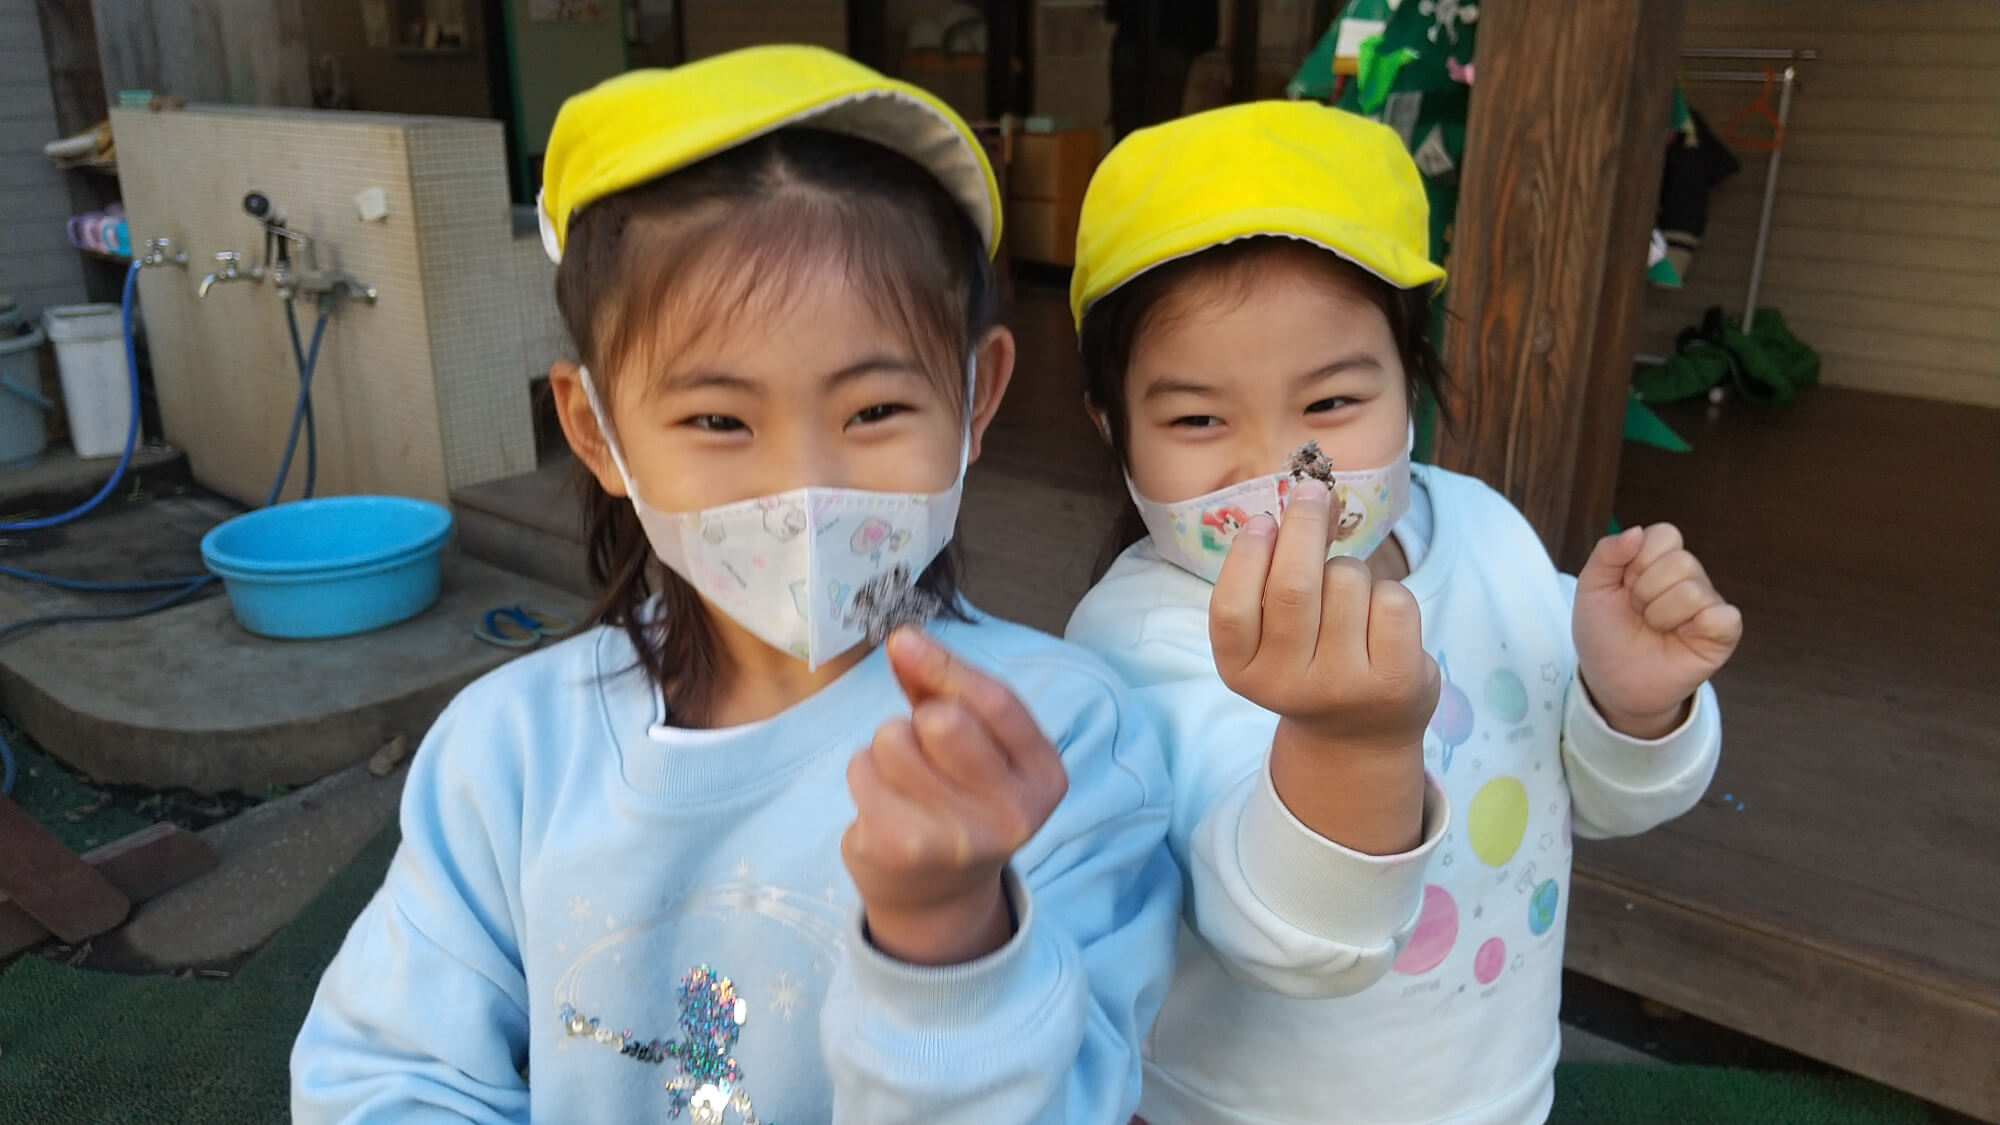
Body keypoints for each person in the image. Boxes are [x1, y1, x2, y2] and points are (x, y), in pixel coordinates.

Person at [291, 45, 1179, 1125]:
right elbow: (385, 1079)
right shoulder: (508, 756)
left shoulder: (1058, 745)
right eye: (718, 420)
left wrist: (952, 943)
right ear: (596, 432)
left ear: (976, 397)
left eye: (873, 412)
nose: (801, 487)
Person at [1063, 100, 1742, 1125]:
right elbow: (1288, 942)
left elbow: (1606, 801)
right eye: (1197, 418)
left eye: (1332, 402)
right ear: (1109, 426)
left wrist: (1630, 707)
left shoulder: (1484, 534)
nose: (1283, 471)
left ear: (1408, 379)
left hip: (1501, 1093)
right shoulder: (1132, 647)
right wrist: (1345, 748)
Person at [1104, 0, 1219, 138]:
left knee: (1128, 134)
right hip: (1171, 46)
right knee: (1161, 132)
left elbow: (1112, 12)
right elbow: (1208, 30)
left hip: (1133, 42)